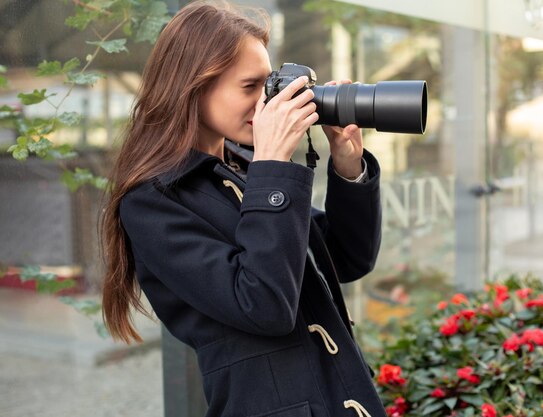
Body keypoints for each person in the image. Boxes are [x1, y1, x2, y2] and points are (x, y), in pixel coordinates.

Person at [101, 1, 386, 416]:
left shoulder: (243, 170)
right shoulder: (151, 202)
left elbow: (346, 258)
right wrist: (272, 165)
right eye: (249, 87)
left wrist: (347, 165)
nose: (265, 103)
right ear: (193, 86)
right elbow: (265, 306)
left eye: (267, 86)